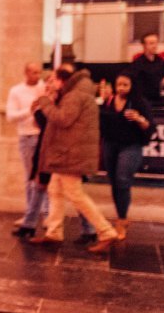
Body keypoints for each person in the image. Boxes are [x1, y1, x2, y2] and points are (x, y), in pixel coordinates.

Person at [31, 68, 120, 247]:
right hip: (69, 152)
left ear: (62, 81)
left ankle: (106, 231)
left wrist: (45, 102)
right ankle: (54, 232)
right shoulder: (77, 93)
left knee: (75, 194)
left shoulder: (75, 96)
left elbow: (63, 119)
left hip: (71, 154)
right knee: (55, 190)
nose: (49, 84)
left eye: (52, 80)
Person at [96, 72, 154, 249]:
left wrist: (139, 119)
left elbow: (150, 126)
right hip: (110, 144)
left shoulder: (139, 102)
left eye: (125, 85)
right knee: (114, 181)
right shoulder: (108, 101)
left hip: (131, 145)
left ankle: (121, 220)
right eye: (118, 85)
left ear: (132, 86)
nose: (121, 88)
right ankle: (121, 216)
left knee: (122, 179)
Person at [5, 62, 49, 239]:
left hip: (44, 135)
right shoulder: (16, 91)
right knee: (30, 178)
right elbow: (10, 116)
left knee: (45, 177)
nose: (37, 76)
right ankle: (30, 215)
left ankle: (46, 215)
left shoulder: (44, 88)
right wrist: (29, 111)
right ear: (26, 73)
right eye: (33, 72)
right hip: (27, 136)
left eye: (39, 72)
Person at [128, 32, 164, 101]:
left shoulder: (159, 60)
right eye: (151, 43)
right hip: (142, 99)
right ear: (144, 45)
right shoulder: (138, 63)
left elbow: (163, 77)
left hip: (156, 97)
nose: (155, 46)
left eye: (156, 43)